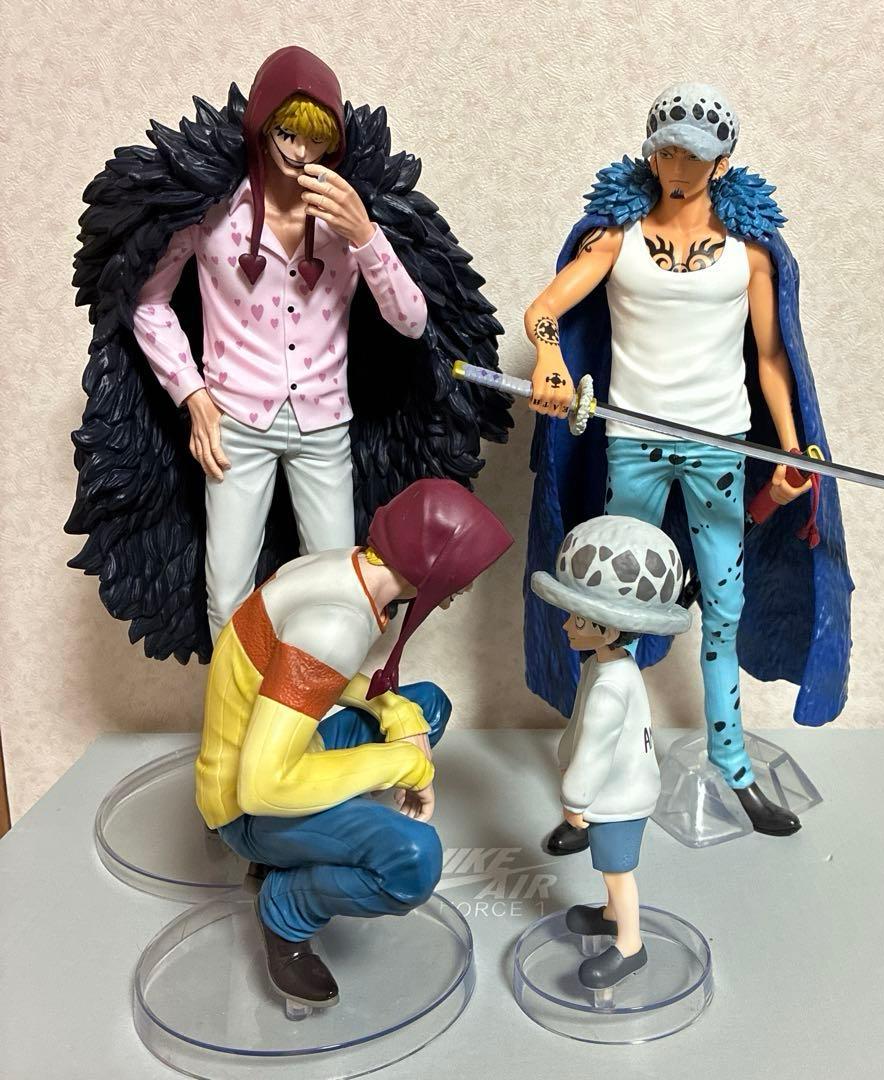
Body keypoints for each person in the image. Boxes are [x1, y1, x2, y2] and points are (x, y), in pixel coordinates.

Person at [68, 45, 512, 662]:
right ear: (262, 126)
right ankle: (234, 707)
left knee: (339, 580)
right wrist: (192, 395)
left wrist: (366, 236)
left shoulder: (346, 221)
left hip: (324, 422)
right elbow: (148, 304)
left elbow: (411, 321)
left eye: (316, 138)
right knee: (228, 586)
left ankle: (320, 700)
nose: (301, 151)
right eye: (287, 133)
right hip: (235, 421)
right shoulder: (212, 215)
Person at [523, 82, 853, 847]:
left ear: (722, 162)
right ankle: (591, 784)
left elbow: (771, 358)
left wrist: (790, 444)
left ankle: (733, 765)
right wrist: (549, 359)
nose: (677, 167)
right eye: (667, 151)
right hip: (632, 443)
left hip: (721, 447)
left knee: (724, 610)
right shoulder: (617, 237)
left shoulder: (749, 252)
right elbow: (543, 311)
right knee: (608, 613)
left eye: (694, 156)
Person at [195, 478, 513, 1009]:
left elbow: (299, 671)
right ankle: (286, 907)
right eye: (462, 572)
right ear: (429, 565)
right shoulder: (336, 624)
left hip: (287, 745)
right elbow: (263, 787)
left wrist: (391, 707)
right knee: (414, 860)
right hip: (246, 810)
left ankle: (320, 837)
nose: (465, 586)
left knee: (424, 707)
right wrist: (402, 764)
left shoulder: (343, 569)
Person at [531, 515, 693, 990]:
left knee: (618, 871)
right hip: (621, 786)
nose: (567, 624)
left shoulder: (609, 686)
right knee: (610, 869)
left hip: (620, 796)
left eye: (579, 619)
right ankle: (608, 915)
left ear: (608, 629)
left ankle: (630, 944)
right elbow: (581, 730)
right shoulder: (607, 667)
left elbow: (596, 750)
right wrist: (566, 756)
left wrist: (574, 798)